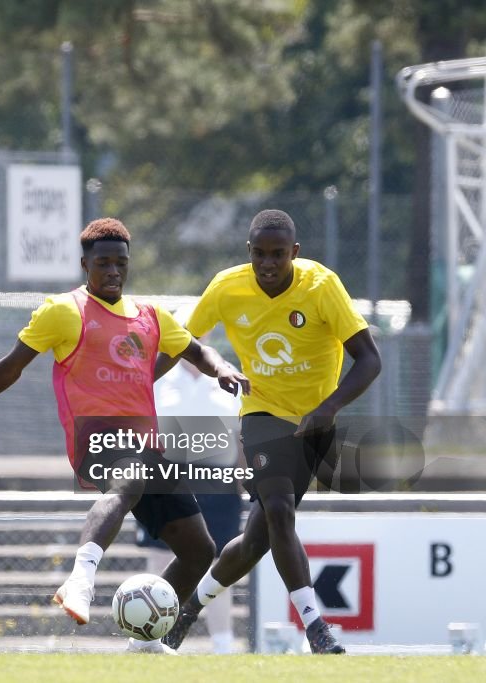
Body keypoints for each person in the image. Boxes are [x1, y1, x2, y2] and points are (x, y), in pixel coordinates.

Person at [0, 217, 249, 654]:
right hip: (94, 438)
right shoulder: (64, 311)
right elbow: (10, 368)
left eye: (121, 263)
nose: (113, 271)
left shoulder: (150, 316)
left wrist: (221, 367)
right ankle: (81, 577)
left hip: (146, 449)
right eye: (103, 263)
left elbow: (195, 348)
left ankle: (145, 640)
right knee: (130, 474)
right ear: (84, 265)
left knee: (198, 550)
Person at [159, 209, 381, 655]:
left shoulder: (322, 286)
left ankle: (186, 613)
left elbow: (369, 359)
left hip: (315, 422)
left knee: (257, 540)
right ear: (249, 252)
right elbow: (180, 341)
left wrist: (330, 407)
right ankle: (316, 627)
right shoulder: (227, 287)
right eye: (260, 254)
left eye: (278, 254)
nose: (268, 264)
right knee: (279, 510)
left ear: (294, 253)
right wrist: (138, 384)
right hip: (261, 414)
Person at [137, 328, 243, 654]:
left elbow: (241, 432)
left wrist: (243, 477)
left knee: (219, 564)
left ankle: (222, 644)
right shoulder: (154, 378)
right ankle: (153, 638)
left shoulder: (228, 374)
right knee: (159, 560)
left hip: (219, 483)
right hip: (167, 481)